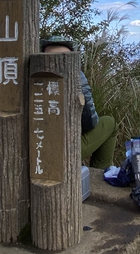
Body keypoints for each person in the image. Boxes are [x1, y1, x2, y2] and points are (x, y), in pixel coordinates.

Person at [41, 36, 118, 169]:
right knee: (110, 123)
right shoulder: (77, 77)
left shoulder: (29, 76)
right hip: (63, 151)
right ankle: (97, 176)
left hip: (35, 146)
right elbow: (90, 122)